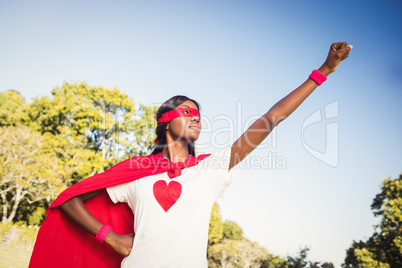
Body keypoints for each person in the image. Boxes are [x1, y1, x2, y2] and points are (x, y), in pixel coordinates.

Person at [29, 42, 352, 267]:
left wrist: (323, 71)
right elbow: (70, 199)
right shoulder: (138, 172)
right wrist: (109, 236)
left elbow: (271, 119)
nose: (197, 117)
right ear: (166, 122)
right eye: (188, 112)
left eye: (199, 113)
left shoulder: (211, 168)